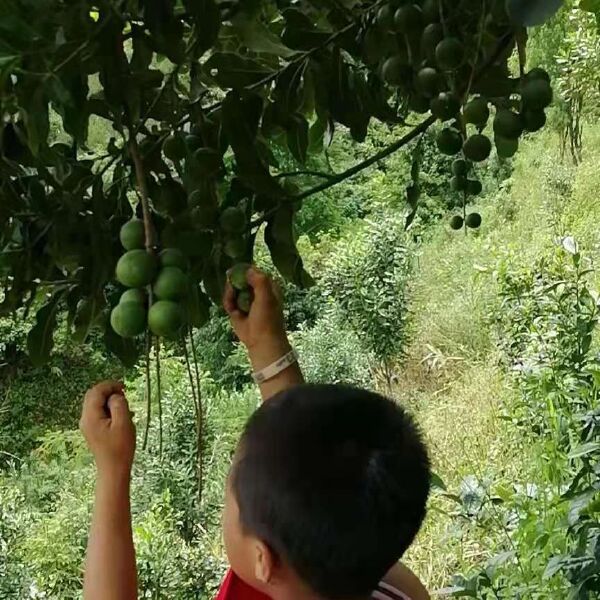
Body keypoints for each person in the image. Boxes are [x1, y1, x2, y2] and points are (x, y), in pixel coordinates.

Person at [80, 268, 432, 600]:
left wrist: (113, 470)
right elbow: (302, 452)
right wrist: (267, 345)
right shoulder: (389, 581)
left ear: (264, 560)